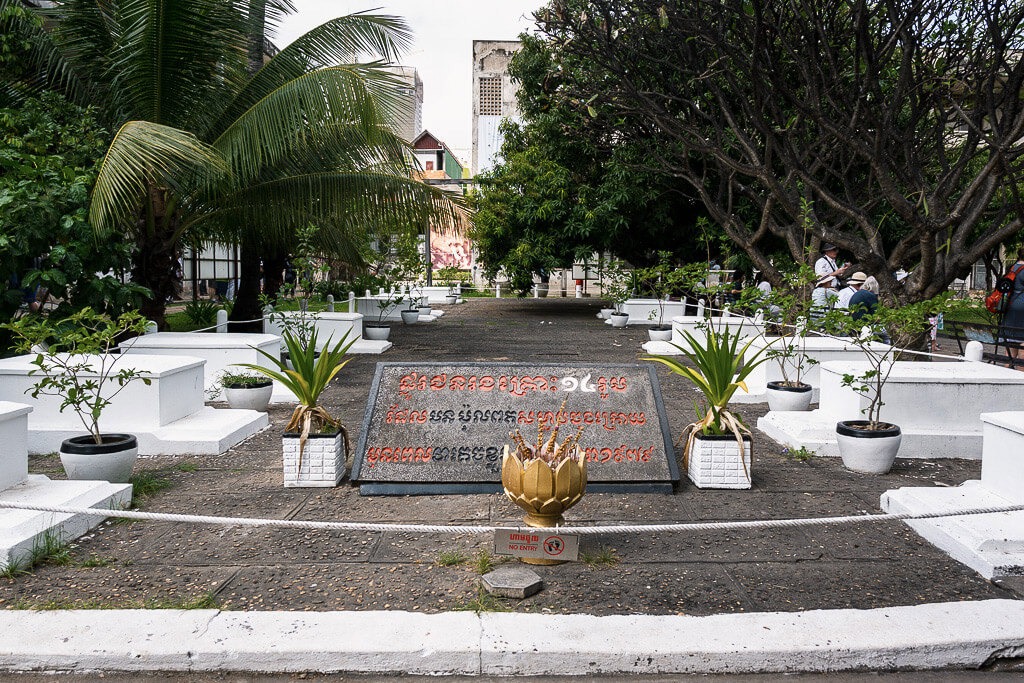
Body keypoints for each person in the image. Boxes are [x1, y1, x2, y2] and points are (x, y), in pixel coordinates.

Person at [998, 247, 1024, 364]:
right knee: (1023, 347)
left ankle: (1006, 372)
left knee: (1011, 348)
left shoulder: (1011, 268)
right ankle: (1020, 376)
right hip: (1022, 307)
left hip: (1010, 306)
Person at [811, 243, 851, 316]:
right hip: (827, 288)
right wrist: (836, 272)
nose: (835, 252)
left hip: (834, 288)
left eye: (836, 250)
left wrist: (842, 270)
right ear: (827, 251)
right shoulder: (821, 262)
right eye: (833, 250)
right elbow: (820, 277)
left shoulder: (833, 262)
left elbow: (836, 275)